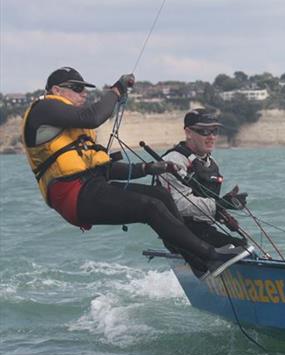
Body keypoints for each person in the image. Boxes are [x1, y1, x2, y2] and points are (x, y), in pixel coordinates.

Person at [22, 67, 251, 279]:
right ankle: (211, 256)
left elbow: (106, 169)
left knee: (159, 196)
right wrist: (116, 90)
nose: (83, 94)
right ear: (56, 90)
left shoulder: (70, 129)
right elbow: (92, 118)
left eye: (85, 89)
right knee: (149, 208)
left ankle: (198, 261)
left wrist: (149, 168)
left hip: (92, 185)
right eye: (77, 89)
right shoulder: (43, 108)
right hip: (72, 195)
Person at [157, 108, 248, 249]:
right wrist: (221, 204)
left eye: (214, 131)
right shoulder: (172, 161)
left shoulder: (211, 163)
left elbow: (205, 202)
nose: (211, 137)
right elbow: (178, 204)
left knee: (242, 246)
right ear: (188, 133)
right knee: (237, 247)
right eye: (204, 131)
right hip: (177, 233)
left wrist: (222, 214)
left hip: (203, 231)